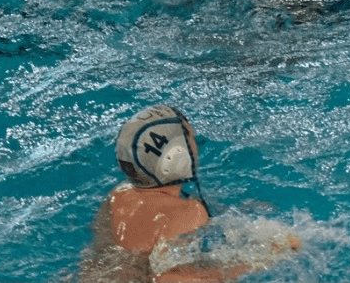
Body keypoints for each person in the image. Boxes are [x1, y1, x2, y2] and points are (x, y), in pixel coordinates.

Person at [78, 105, 299, 282]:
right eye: (190, 139)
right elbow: (171, 279)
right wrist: (264, 257)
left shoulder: (118, 196)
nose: (196, 146)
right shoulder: (189, 211)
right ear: (176, 155)